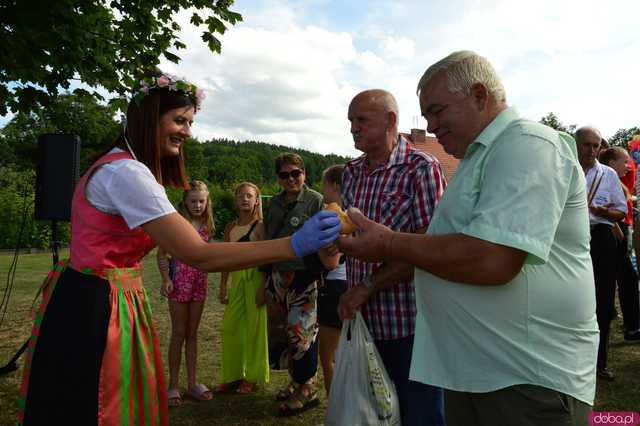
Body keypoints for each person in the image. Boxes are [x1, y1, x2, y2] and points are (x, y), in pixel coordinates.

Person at [18, 71, 341, 426]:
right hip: (99, 304)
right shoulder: (127, 174)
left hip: (89, 294)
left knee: (83, 396)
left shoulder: (112, 166)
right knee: (98, 400)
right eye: (179, 120)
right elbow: (198, 254)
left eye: (190, 121)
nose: (187, 131)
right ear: (147, 118)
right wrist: (292, 244)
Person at [339, 51, 599, 426]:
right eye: (426, 116)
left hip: (526, 380)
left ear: (479, 96)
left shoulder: (527, 144)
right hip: (479, 373)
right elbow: (447, 242)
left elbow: (493, 259)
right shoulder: (479, 158)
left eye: (437, 110)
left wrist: (388, 243)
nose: (431, 125)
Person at [338, 89, 446, 425]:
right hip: (362, 321)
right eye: (351, 121)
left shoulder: (421, 168)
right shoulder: (351, 172)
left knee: (419, 415)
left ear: (391, 121)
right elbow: (357, 238)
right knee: (372, 414)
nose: (353, 128)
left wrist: (368, 286)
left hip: (409, 325)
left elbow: (431, 247)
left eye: (361, 120)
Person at [263, 153, 340, 417]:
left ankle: (308, 389)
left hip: (304, 276)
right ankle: (296, 381)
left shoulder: (316, 201)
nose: (291, 179)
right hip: (277, 276)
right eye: (284, 175)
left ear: (304, 173)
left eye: (296, 173)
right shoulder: (273, 203)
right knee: (283, 333)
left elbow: (325, 240)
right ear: (278, 178)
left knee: (302, 334)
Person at [576, 127, 628, 381]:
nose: (592, 150)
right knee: (572, 298)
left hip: (600, 238)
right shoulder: (566, 170)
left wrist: (603, 212)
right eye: (587, 145)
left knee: (604, 300)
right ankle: (574, 360)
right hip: (572, 238)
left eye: (596, 145)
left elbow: (620, 212)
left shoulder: (607, 174)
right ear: (576, 145)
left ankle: (599, 363)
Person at [157, 181, 215, 406]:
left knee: (192, 334)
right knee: (178, 334)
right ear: (185, 202)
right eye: (193, 201)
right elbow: (162, 254)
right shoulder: (177, 224)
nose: (198, 205)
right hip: (180, 283)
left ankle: (192, 384)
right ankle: (173, 385)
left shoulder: (207, 223)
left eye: (202, 201)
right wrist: (166, 279)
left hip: (199, 284)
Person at [217, 182, 269, 394]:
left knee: (256, 330)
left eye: (249, 196)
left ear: (257, 200)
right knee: (229, 327)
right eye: (240, 196)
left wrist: (264, 287)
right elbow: (225, 258)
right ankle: (233, 375)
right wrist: (222, 285)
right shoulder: (230, 227)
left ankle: (253, 377)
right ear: (235, 200)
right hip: (237, 279)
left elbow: (267, 259)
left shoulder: (261, 225)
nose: (244, 199)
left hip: (256, 278)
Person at [598, 147, 640, 343]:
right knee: (620, 280)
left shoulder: (614, 179)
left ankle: (631, 327)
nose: (628, 166)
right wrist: (614, 224)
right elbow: (601, 206)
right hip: (614, 231)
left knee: (627, 279)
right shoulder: (604, 179)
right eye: (624, 161)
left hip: (619, 229)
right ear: (611, 163)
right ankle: (629, 328)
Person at [317, 165, 348, 396]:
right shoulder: (355, 211)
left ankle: (336, 415)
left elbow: (331, 262)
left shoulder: (331, 213)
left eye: (324, 183)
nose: (321, 189)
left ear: (335, 186)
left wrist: (311, 243)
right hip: (352, 282)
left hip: (335, 285)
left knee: (329, 356)